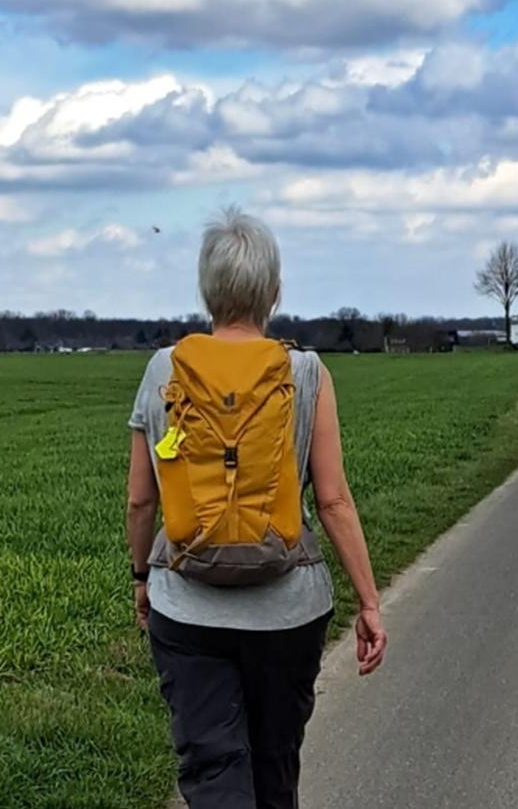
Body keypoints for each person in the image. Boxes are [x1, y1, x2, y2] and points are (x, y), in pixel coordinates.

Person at [125, 207, 388, 809]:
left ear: (207, 292)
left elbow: (142, 499)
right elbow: (334, 500)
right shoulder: (307, 373)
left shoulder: (162, 369)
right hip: (289, 613)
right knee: (275, 770)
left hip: (186, 608)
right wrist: (369, 602)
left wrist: (143, 577)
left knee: (214, 772)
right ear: (273, 292)